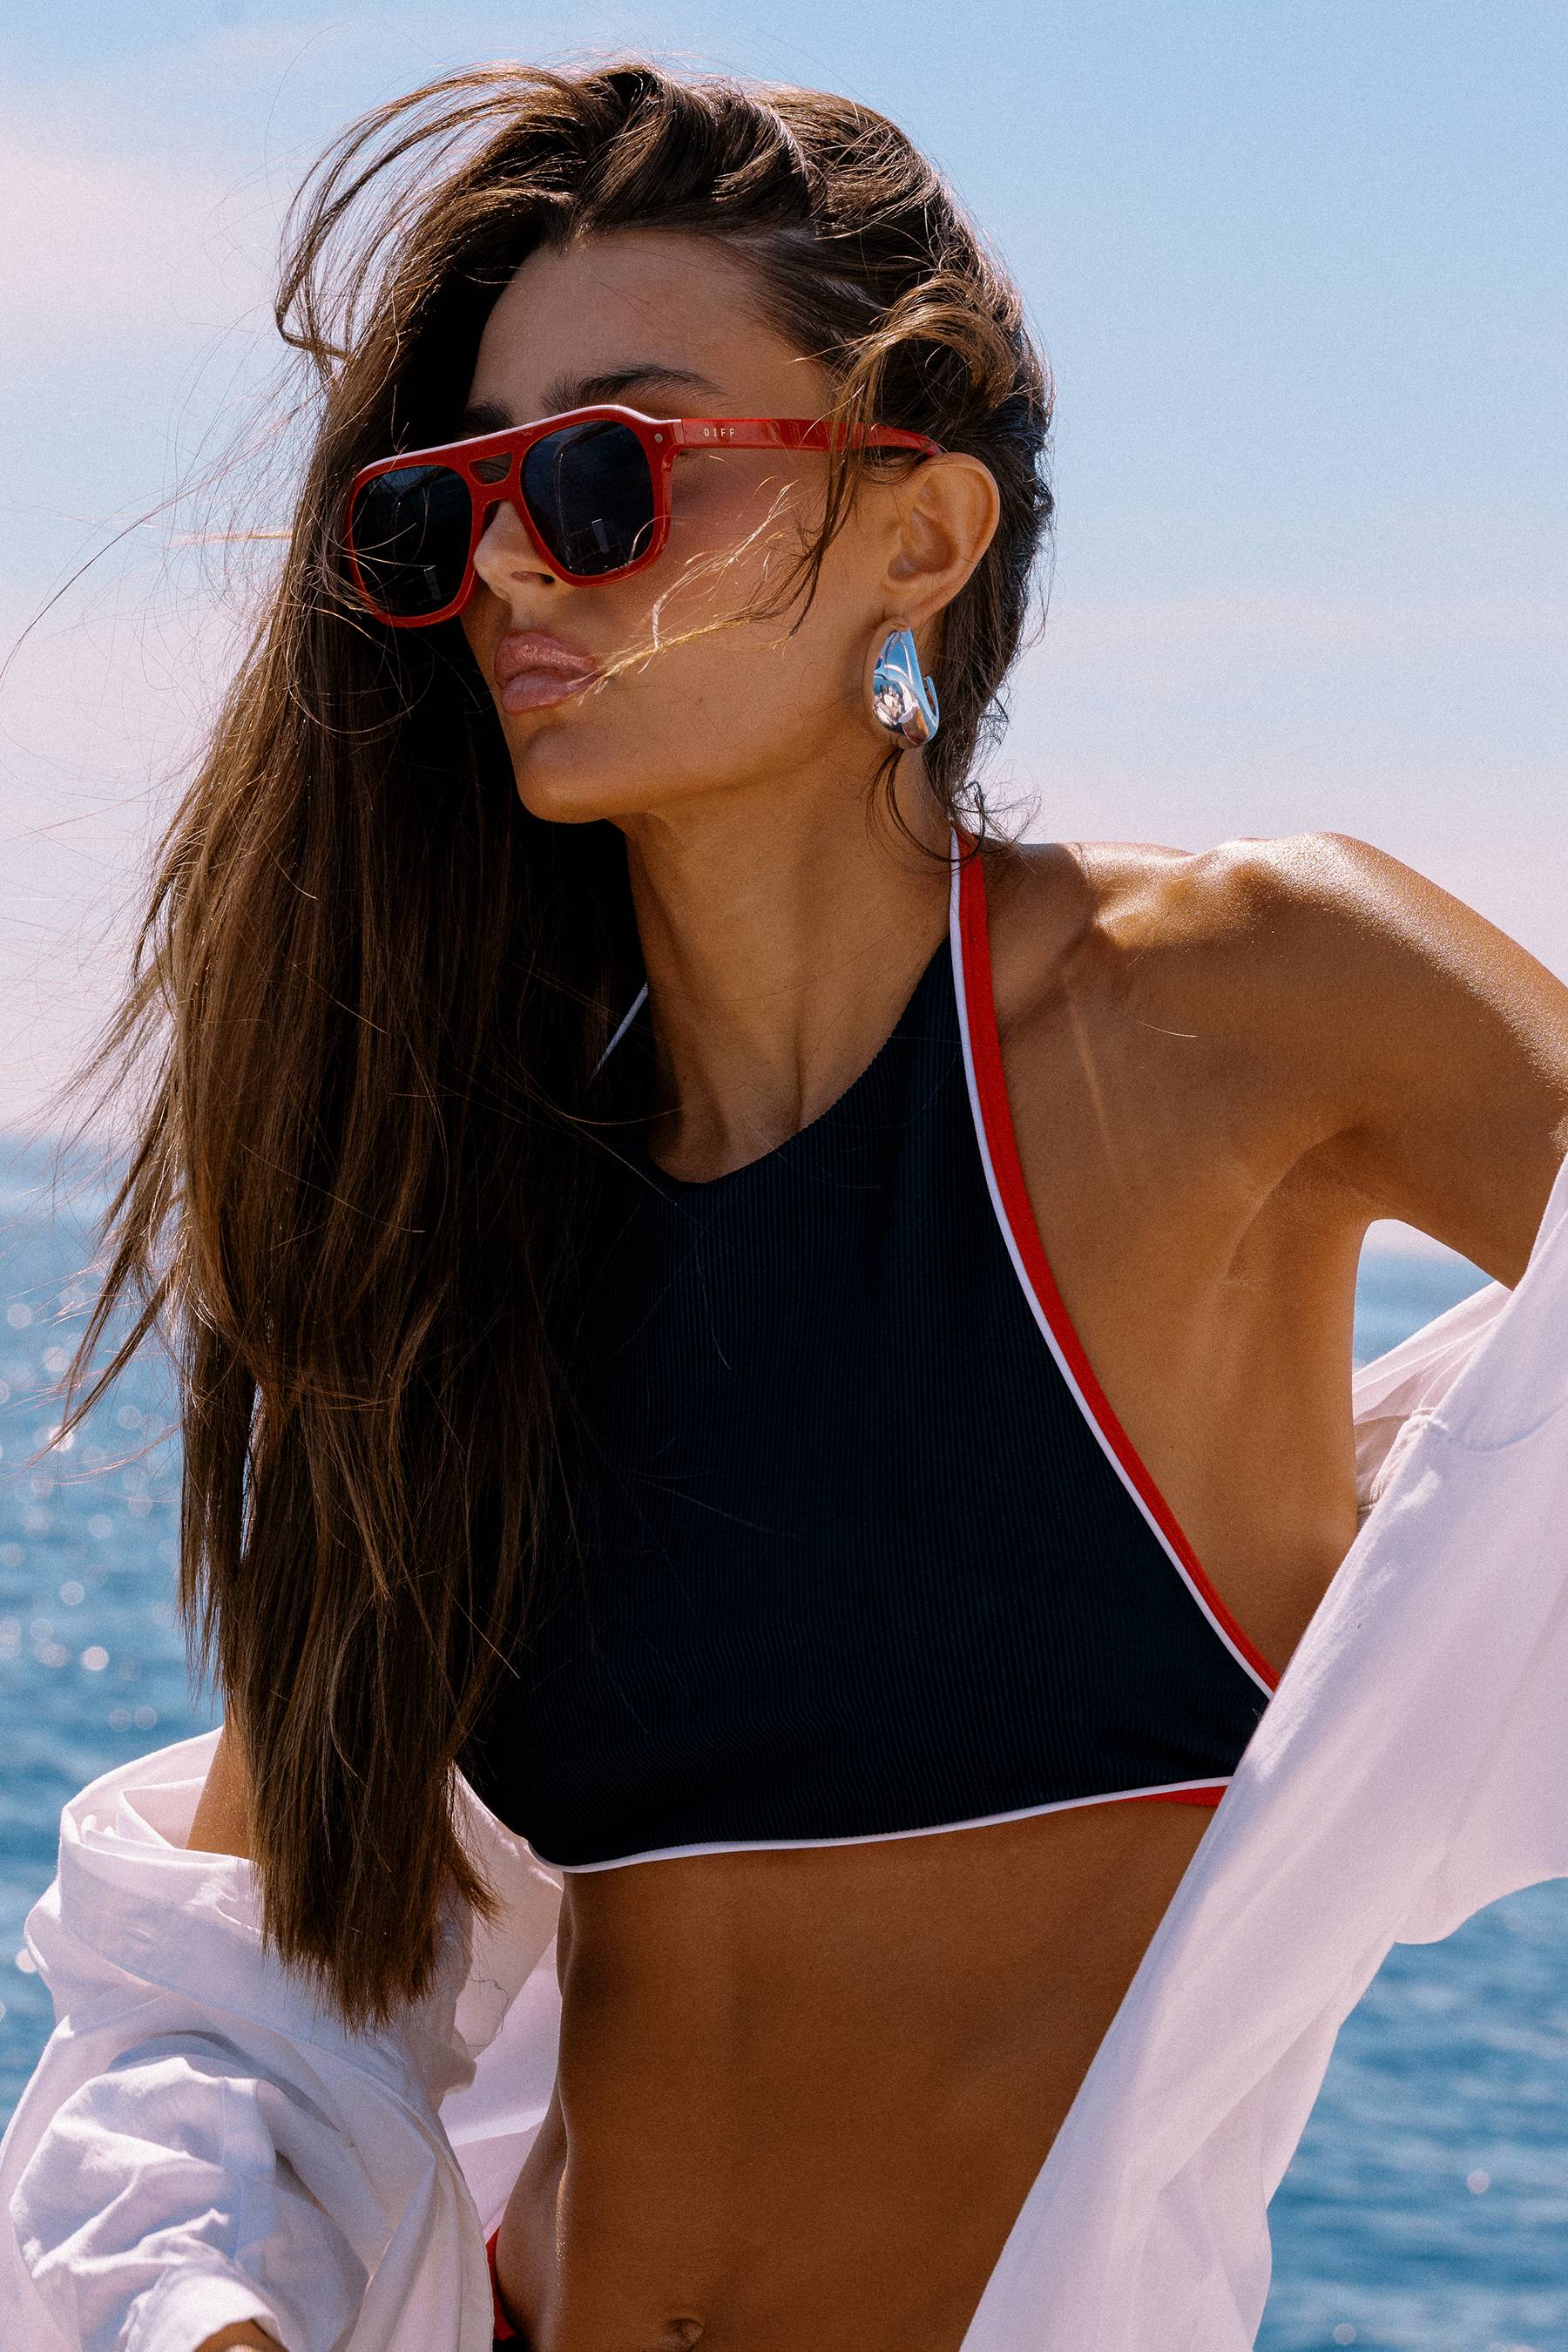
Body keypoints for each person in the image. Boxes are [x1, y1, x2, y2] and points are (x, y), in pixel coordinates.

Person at [24, 54, 1568, 2352]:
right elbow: (236, 1953)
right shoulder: (478, 1229)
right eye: (463, 505)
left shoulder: (1243, 1010)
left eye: (608, 470)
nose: (522, 560)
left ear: (916, 536)